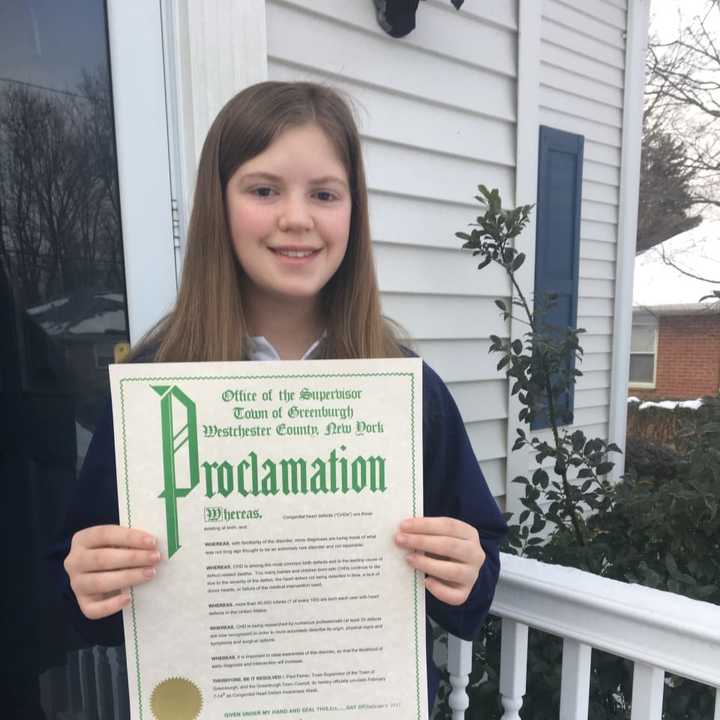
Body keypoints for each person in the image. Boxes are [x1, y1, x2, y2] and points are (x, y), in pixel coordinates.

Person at [56, 81, 508, 712]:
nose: (297, 218)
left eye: (324, 193)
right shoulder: (155, 388)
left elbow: (476, 561)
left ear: (353, 211)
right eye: (264, 189)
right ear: (220, 204)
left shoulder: (404, 389)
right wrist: (87, 580)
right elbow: (85, 589)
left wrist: (464, 569)